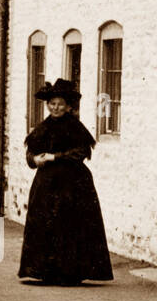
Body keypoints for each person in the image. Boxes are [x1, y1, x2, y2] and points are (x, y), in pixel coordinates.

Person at [18, 78, 113, 285]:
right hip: (46, 184)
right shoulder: (42, 128)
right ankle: (44, 271)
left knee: (70, 223)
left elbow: (80, 153)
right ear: (47, 105)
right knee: (45, 223)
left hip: (73, 184)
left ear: (69, 106)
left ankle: (70, 272)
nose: (56, 108)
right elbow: (30, 153)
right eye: (52, 104)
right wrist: (35, 160)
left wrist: (55, 157)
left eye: (60, 104)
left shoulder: (75, 127)